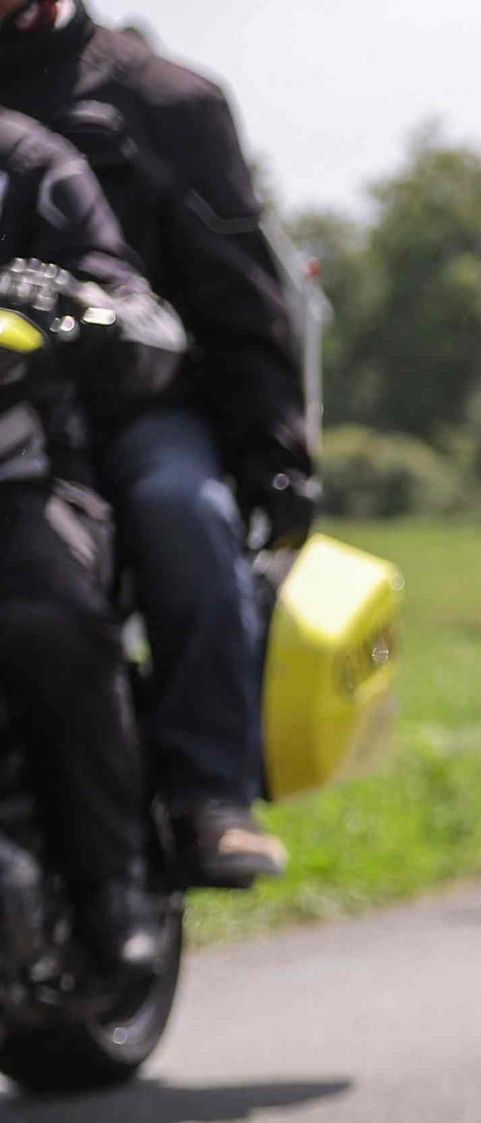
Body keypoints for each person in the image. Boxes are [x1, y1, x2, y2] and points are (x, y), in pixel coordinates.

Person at [0, 0, 308, 892]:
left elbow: (241, 295)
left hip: (130, 407)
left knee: (184, 512)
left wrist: (276, 454)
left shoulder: (163, 101)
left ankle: (209, 792)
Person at [0, 103, 181, 976]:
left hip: (18, 478)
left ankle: (113, 886)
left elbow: (142, 314)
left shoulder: (29, 165)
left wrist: (80, 303)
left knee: (50, 618)